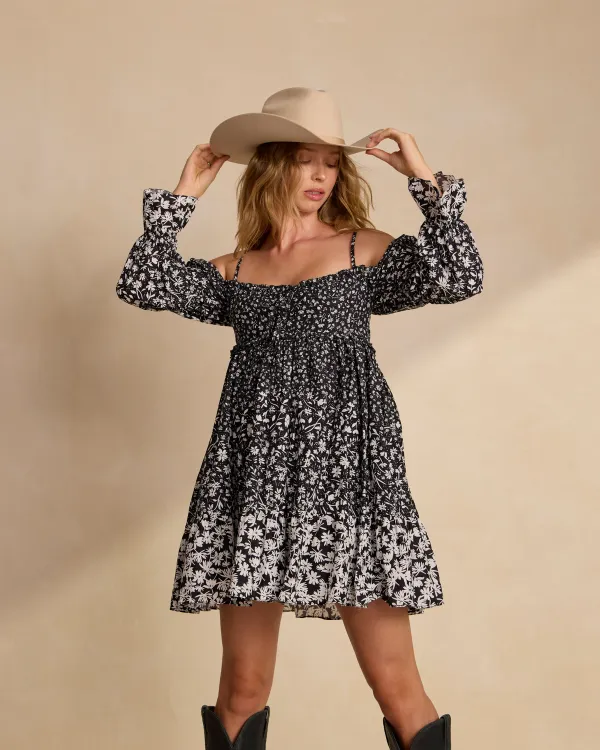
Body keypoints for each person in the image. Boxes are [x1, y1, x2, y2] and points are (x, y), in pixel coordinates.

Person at [115, 87, 483, 750]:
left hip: (350, 484)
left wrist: (425, 181)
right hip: (255, 486)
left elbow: (459, 275)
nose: (320, 176)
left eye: (331, 163)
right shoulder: (237, 269)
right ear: (269, 166)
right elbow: (144, 281)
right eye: (303, 160)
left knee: (397, 688)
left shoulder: (360, 250)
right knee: (242, 689)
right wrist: (182, 196)